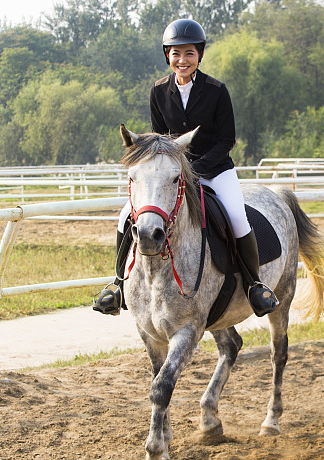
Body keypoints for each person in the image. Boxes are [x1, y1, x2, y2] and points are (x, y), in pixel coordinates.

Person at [93, 18, 279, 318]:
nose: (182, 60)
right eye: (176, 53)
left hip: (216, 170)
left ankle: (255, 286)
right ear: (167, 55)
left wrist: (198, 169)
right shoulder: (158, 91)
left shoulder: (217, 91)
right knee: (127, 215)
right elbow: (159, 142)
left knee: (236, 216)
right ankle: (117, 286)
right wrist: (172, 169)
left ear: (199, 55)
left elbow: (226, 139)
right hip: (172, 173)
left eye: (189, 53)